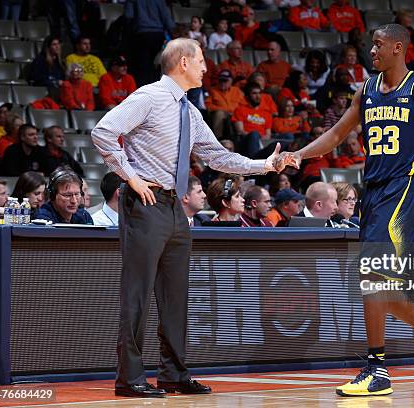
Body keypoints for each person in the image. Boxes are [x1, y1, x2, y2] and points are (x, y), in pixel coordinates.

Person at [276, 23, 414, 397]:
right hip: (375, 193)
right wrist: (299, 153)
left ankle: (377, 369)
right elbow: (335, 136)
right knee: (375, 284)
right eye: (371, 46)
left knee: (373, 277)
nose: (372, 51)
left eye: (377, 45)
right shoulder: (367, 90)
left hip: (406, 190)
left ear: (398, 47)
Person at [91, 38, 282, 399]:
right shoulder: (149, 97)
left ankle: (174, 374)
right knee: (137, 296)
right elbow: (102, 131)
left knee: (176, 297)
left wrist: (264, 166)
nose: (206, 67)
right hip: (144, 202)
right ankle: (129, 379)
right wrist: (129, 176)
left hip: (174, 208)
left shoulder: (189, 110)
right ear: (182, 62)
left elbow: (216, 156)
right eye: (201, 61)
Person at [124, 0, 175, 87]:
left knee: (142, 68)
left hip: (140, 35)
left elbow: (128, 16)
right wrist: (174, 36)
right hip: (157, 36)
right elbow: (167, 19)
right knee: (155, 67)